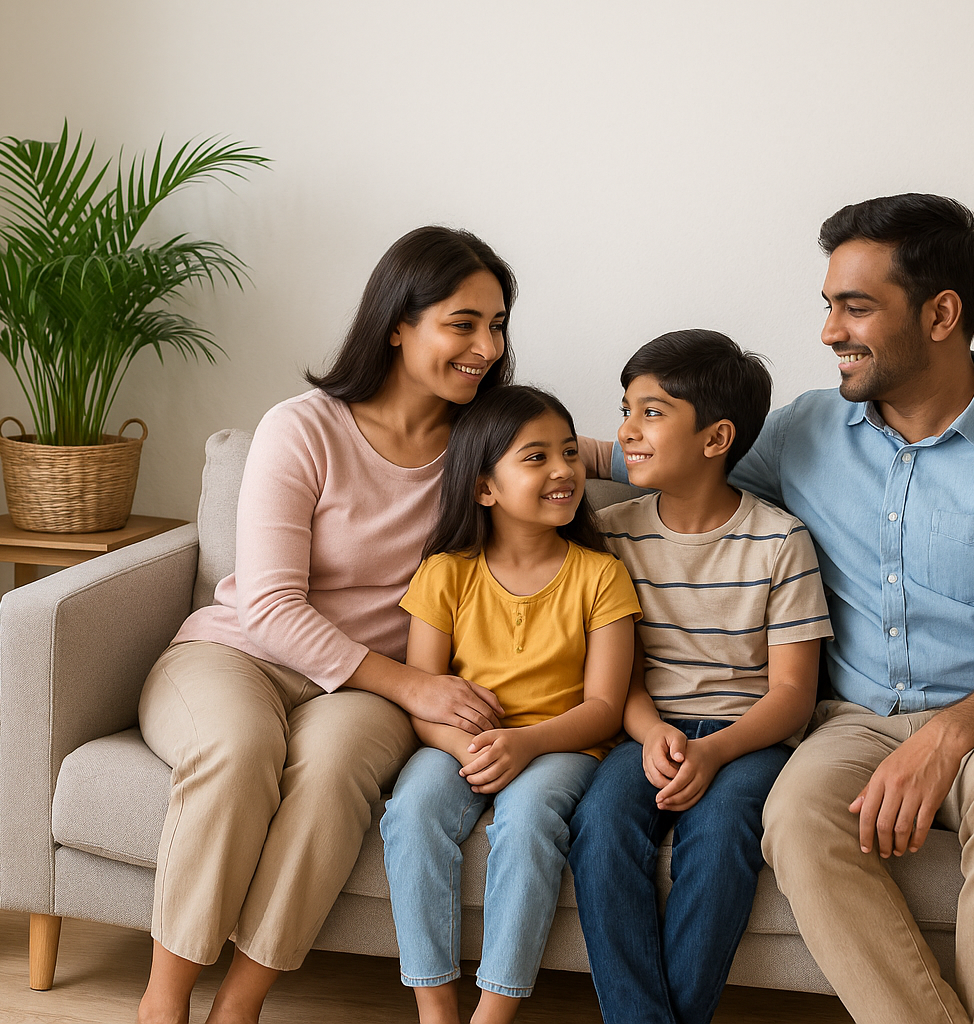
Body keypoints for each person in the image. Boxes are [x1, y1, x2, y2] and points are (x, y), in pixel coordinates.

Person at [135, 228, 614, 1024]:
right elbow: (270, 606)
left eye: (497, 326)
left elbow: (622, 451)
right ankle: (164, 1003)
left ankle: (239, 1008)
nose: (487, 347)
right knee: (240, 747)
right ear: (399, 322)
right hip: (241, 654)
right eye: (463, 324)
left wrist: (727, 446)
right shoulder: (303, 426)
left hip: (359, 693)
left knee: (331, 777)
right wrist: (418, 687)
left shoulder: (486, 442)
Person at [724, 194, 974, 1024]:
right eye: (830, 306)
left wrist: (949, 734)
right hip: (855, 721)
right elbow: (691, 469)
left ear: (942, 313)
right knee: (796, 817)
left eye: (857, 307)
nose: (831, 331)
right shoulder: (806, 429)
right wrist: (551, 454)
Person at [568, 330, 833, 1024]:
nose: (627, 430)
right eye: (626, 409)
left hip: (749, 738)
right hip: (645, 729)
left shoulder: (781, 541)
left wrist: (714, 751)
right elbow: (615, 674)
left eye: (652, 413)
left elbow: (792, 696)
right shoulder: (609, 533)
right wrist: (652, 731)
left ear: (716, 439)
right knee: (599, 824)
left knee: (717, 841)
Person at [381, 385, 641, 1024]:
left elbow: (606, 706)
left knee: (526, 824)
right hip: (463, 742)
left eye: (571, 453)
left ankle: (493, 1013)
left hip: (564, 742)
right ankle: (436, 1007)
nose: (563, 470)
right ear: (483, 488)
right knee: (412, 811)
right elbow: (424, 696)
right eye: (536, 457)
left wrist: (524, 744)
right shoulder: (444, 572)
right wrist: (461, 746)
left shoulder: (600, 574)